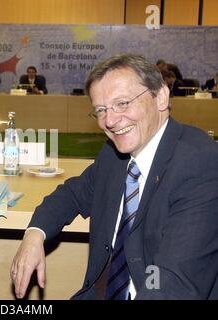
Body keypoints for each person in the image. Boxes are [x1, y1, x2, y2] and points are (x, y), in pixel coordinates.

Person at [11, 54, 218, 300]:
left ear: (161, 97)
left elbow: (173, 285)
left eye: (122, 103)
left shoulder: (201, 164)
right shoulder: (115, 154)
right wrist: (35, 234)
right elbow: (72, 194)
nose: (109, 121)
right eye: (101, 110)